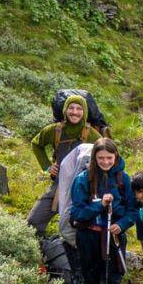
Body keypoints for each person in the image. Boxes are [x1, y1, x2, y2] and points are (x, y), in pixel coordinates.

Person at [66, 138, 136, 284]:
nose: (105, 162)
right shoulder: (83, 179)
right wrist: (99, 205)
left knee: (114, 275)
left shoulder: (123, 179)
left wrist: (121, 225)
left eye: (109, 158)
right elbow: (77, 214)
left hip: (113, 235)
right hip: (88, 235)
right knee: (91, 274)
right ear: (94, 158)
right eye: (101, 158)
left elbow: (133, 210)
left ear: (116, 156)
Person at [28, 94, 107, 244]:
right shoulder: (54, 130)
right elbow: (36, 144)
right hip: (58, 187)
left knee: (78, 229)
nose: (74, 112)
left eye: (79, 109)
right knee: (33, 222)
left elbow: (108, 157)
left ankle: (78, 257)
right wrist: (47, 166)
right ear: (65, 110)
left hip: (84, 189)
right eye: (71, 108)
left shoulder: (92, 135)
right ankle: (44, 251)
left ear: (84, 112)